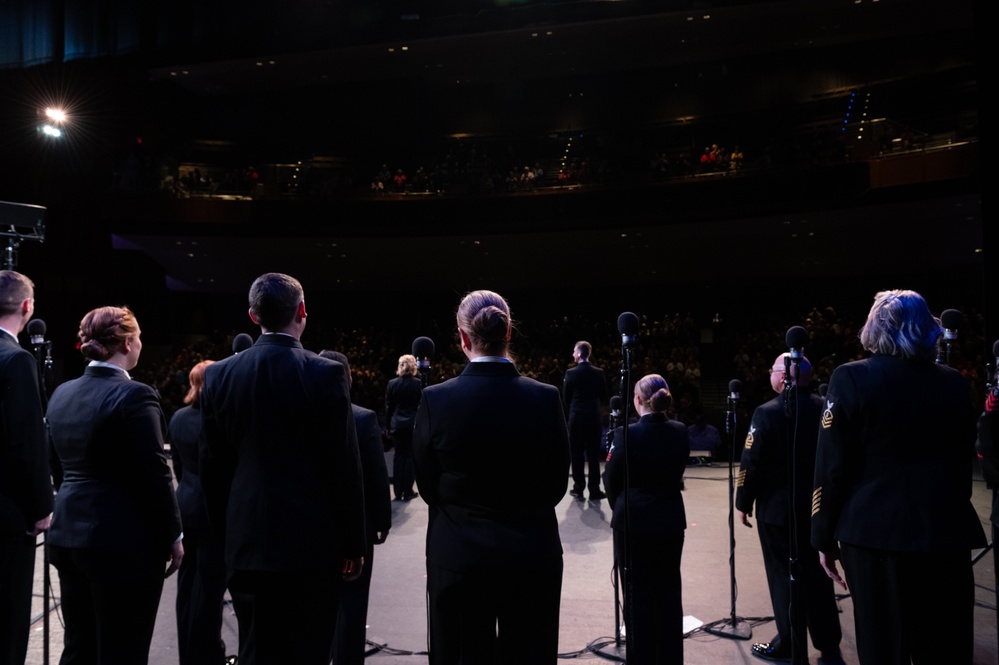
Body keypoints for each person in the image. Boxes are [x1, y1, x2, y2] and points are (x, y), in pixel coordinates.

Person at [811, 289, 987, 664]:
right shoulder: (953, 381)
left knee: (883, 646)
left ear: (874, 328)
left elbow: (833, 466)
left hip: (874, 535)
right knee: (945, 647)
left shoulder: (850, 377)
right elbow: (961, 463)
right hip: (943, 530)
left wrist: (822, 537)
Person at [199, 273, 365, 665]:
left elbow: (213, 470)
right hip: (312, 544)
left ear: (253, 316)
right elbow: (343, 464)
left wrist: (226, 539)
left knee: (256, 649)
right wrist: (353, 544)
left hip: (247, 541)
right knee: (310, 650)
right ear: (302, 311)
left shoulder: (219, 374)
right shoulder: (325, 372)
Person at [413, 289, 570, 664]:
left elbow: (427, 485)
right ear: (509, 332)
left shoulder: (437, 399)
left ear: (463, 338)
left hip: (459, 557)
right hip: (532, 556)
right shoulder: (545, 397)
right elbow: (556, 485)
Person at [45, 306, 183, 664]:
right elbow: (154, 473)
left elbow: (56, 463)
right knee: (123, 649)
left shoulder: (62, 393)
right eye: (138, 338)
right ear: (126, 342)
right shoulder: (135, 395)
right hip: (121, 542)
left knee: (79, 647)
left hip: (69, 534)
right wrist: (173, 533)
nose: (140, 344)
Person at [735, 354, 844, 665]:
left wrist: (743, 501)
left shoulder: (766, 412)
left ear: (784, 377)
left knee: (784, 579)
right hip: (819, 509)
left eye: (773, 369)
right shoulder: (826, 408)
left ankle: (789, 643)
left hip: (778, 512)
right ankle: (828, 642)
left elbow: (751, 462)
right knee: (820, 576)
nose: (770, 373)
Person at [604, 373, 688, 665]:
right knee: (667, 591)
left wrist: (623, 505)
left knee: (637, 594)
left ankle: (641, 658)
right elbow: (678, 473)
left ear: (637, 401)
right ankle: (670, 657)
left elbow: (611, 480)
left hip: (633, 521)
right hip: (670, 519)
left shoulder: (625, 434)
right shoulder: (680, 431)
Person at [320, 350, 392, 665]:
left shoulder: (300, 413)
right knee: (352, 602)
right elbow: (376, 477)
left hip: (311, 525)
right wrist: (382, 522)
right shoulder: (363, 418)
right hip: (356, 525)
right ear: (348, 377)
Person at [0, 270, 52, 665]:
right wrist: (41, 508)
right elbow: (25, 443)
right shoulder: (16, 360)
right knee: (8, 621)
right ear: (27, 306)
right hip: (6, 516)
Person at [169, 359, 232, 665]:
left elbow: (179, 468)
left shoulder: (179, 418)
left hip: (186, 505)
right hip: (213, 513)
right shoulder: (220, 420)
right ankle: (207, 656)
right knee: (209, 591)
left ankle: (190, 655)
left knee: (187, 589)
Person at [563, 340, 607, 500]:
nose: (573, 354)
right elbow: (603, 395)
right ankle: (594, 490)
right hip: (594, 418)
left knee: (577, 454)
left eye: (574, 351)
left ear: (580, 353)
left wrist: (575, 408)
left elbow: (566, 398)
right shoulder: (599, 373)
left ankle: (578, 488)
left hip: (577, 419)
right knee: (594, 455)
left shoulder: (571, 373)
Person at [385, 353, 422, 501]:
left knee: (398, 456)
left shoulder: (392, 384)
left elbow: (389, 408)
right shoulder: (418, 384)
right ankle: (408, 491)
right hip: (412, 424)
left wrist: (387, 427)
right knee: (410, 457)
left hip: (397, 425)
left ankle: (397, 491)